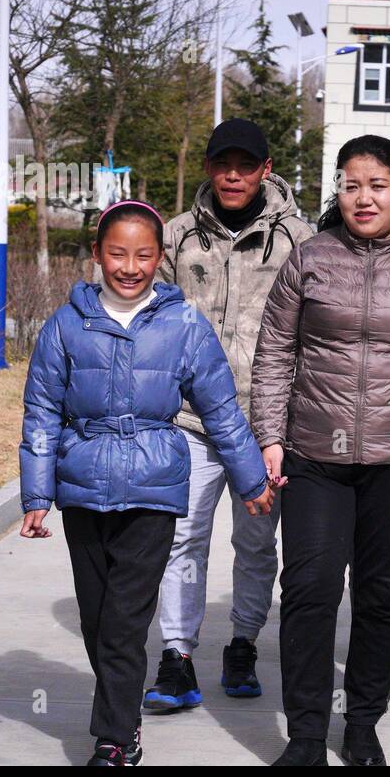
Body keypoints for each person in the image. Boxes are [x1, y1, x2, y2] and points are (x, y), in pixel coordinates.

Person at [249, 135, 390, 767]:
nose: (363, 197)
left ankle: (362, 725)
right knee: (309, 590)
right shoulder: (308, 260)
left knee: (382, 597)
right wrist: (269, 436)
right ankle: (303, 736)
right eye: (351, 184)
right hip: (315, 455)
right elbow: (274, 354)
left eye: (378, 185)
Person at [18, 200, 274, 767]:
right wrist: (37, 496)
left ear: (160, 258)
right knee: (96, 618)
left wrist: (251, 477)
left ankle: (114, 738)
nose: (129, 266)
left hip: (154, 488)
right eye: (117, 253)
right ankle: (121, 718)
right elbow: (40, 412)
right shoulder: (65, 324)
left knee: (125, 619)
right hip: (83, 488)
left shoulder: (184, 324)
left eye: (143, 254)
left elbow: (222, 409)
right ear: (96, 255)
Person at [142, 119, 313, 714]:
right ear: (210, 168)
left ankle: (242, 642)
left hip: (265, 425)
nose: (233, 175)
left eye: (246, 164)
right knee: (180, 540)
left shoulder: (302, 241)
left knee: (257, 542)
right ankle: (176, 655)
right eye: (223, 164)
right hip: (186, 421)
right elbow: (146, 323)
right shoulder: (176, 237)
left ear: (266, 169)